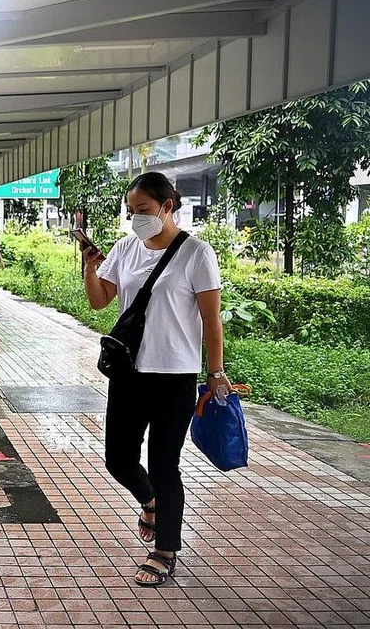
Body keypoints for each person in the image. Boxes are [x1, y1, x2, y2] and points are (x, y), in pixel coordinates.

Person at [82, 172, 230, 587]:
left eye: (144, 211)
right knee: (119, 459)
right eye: (131, 212)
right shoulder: (126, 248)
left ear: (168, 206)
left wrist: (215, 372)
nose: (136, 219)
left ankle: (165, 549)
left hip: (174, 376)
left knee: (165, 465)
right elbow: (99, 301)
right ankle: (150, 503)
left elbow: (211, 319)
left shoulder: (196, 253)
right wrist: (90, 267)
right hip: (129, 373)